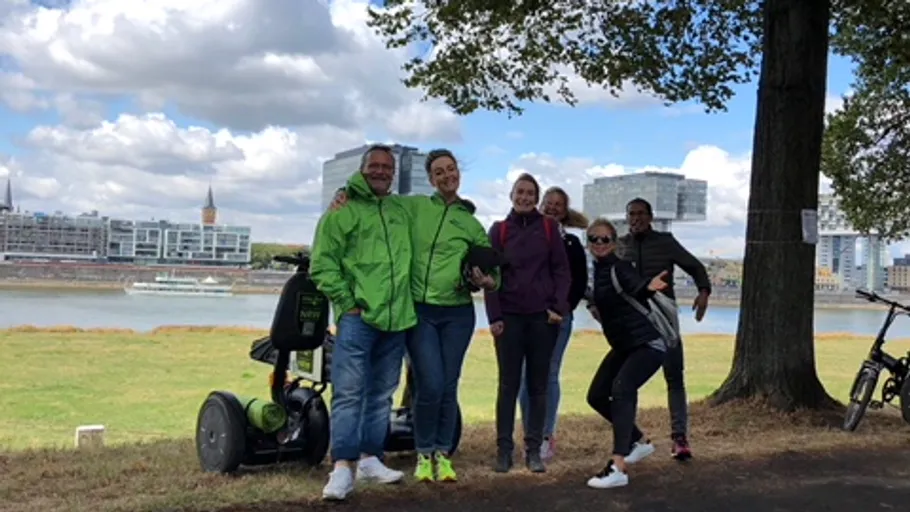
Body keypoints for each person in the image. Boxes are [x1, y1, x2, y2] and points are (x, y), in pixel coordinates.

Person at [328, 149, 499, 483]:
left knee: (448, 386)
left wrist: (489, 280)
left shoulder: (471, 222)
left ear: (458, 173)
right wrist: (344, 192)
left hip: (458, 314)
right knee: (429, 383)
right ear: (431, 179)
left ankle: (443, 454)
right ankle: (422, 453)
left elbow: (493, 268)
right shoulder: (413, 207)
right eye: (439, 172)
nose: (447, 176)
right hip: (419, 311)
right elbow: (375, 199)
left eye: (451, 169)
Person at [309, 144, 417, 501]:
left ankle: (372, 459)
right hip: (358, 318)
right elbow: (322, 263)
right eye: (375, 165)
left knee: (381, 394)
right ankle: (342, 467)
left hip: (397, 317)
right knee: (349, 393)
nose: (382, 171)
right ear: (362, 168)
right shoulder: (343, 210)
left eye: (388, 167)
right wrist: (347, 303)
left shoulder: (402, 209)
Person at [484, 173, 571, 474]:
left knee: (538, 387)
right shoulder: (499, 230)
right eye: (520, 192)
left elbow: (562, 271)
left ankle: (533, 450)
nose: (524, 197)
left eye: (530, 193)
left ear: (537, 198)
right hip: (508, 319)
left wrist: (557, 308)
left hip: (541, 319)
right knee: (507, 386)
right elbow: (490, 276)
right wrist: (494, 316)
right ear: (511, 195)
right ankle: (503, 451)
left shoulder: (549, 228)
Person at [618, 198, 712, 460]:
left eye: (640, 214)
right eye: (631, 214)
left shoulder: (665, 242)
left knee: (674, 376)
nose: (635, 218)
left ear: (650, 217)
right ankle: (632, 439)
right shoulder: (621, 245)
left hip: (664, 319)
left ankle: (680, 438)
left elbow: (695, 266)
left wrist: (703, 292)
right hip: (634, 322)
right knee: (628, 381)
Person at [583, 218, 670, 489]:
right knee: (597, 395)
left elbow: (635, 284)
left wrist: (648, 286)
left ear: (614, 243)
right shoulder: (594, 273)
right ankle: (638, 442)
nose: (599, 243)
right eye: (594, 239)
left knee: (622, 389)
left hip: (648, 345)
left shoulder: (619, 268)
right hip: (624, 347)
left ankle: (618, 466)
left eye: (604, 239)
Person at [517, 186, 589, 460]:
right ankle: (529, 434)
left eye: (558, 204)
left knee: (548, 374)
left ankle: (547, 434)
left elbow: (578, 282)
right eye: (548, 203)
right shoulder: (528, 236)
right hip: (528, 316)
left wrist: (561, 309)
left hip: (558, 318)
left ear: (565, 210)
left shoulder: (571, 244)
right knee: (526, 375)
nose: (552, 207)